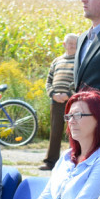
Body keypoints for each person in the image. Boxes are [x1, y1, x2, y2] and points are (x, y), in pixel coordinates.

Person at [42, 33, 77, 170]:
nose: (72, 46)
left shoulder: (80, 61)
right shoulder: (56, 61)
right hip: (55, 101)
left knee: (73, 131)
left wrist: (68, 95)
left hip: (72, 101)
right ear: (64, 44)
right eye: (70, 43)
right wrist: (53, 94)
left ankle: (72, 161)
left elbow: (79, 81)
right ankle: (50, 162)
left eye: (75, 43)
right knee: (55, 132)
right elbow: (48, 80)